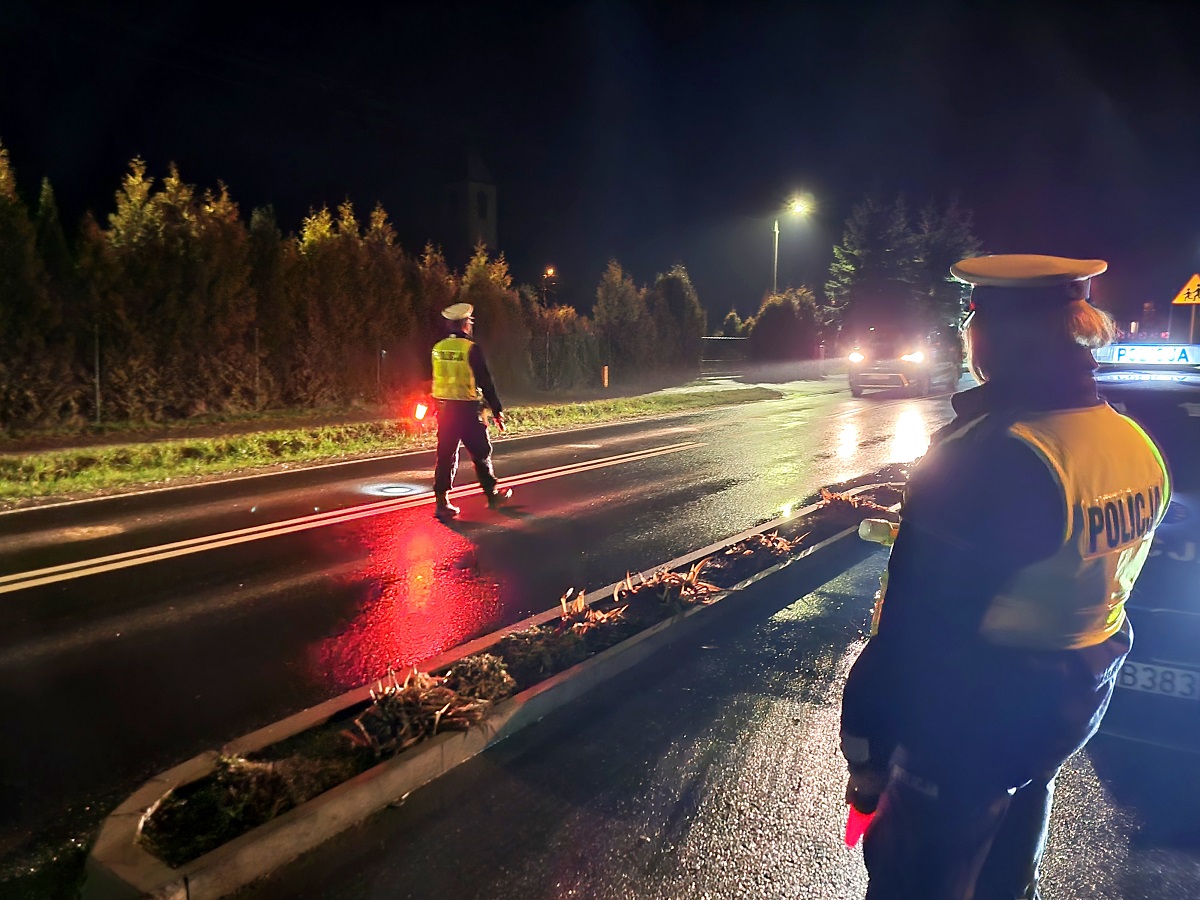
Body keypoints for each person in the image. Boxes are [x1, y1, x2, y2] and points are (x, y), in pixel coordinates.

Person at [839, 254, 1171, 900]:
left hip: (963, 732)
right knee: (1008, 879)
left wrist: (868, 759)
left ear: (990, 337)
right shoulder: (1130, 442)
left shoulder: (992, 458)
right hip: (1054, 721)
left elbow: (913, 637)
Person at [430, 302, 512, 520]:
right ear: (465, 323)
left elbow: (437, 380)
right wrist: (497, 410)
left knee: (445, 455)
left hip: (445, 411)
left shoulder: (438, 348)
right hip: (467, 410)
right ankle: (492, 495)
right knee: (481, 453)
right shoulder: (470, 348)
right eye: (470, 321)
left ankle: (441, 502)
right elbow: (485, 380)